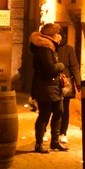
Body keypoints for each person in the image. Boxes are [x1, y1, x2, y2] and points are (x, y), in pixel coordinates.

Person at [29, 22, 67, 153]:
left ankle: (55, 142)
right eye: (57, 34)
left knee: (59, 111)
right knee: (44, 115)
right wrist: (61, 66)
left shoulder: (50, 47)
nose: (59, 36)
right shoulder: (44, 49)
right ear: (51, 35)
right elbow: (50, 69)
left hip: (53, 87)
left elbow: (63, 40)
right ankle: (39, 143)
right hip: (45, 87)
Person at [55, 26, 82, 148]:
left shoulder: (68, 49)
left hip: (65, 83)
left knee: (64, 109)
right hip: (53, 82)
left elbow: (74, 67)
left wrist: (79, 83)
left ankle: (63, 132)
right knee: (52, 108)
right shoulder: (50, 48)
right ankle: (48, 131)